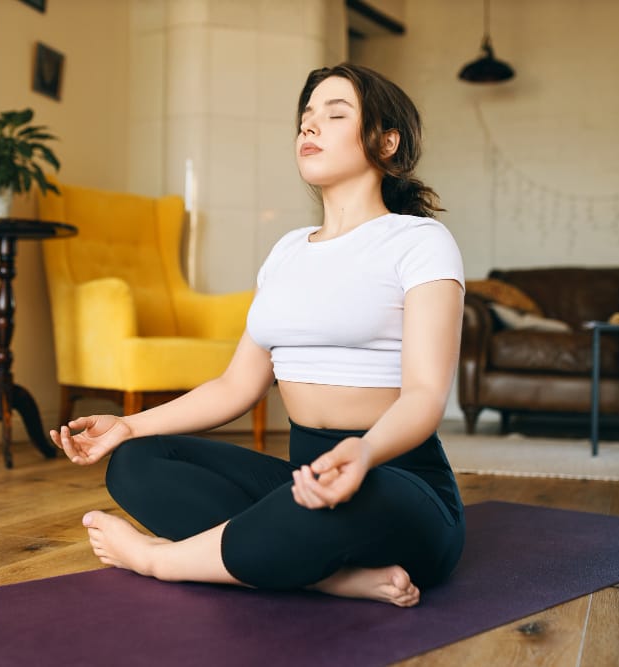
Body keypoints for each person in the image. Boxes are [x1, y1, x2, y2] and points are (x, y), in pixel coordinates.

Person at [50, 63, 465, 608]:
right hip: (304, 482)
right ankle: (327, 577)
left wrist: (362, 455)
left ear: (386, 142)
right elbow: (234, 388)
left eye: (334, 114)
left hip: (397, 481)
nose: (309, 128)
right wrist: (127, 425)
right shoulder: (288, 251)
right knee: (137, 461)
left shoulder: (420, 242)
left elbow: (425, 396)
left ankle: (160, 561)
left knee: (350, 498)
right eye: (305, 118)